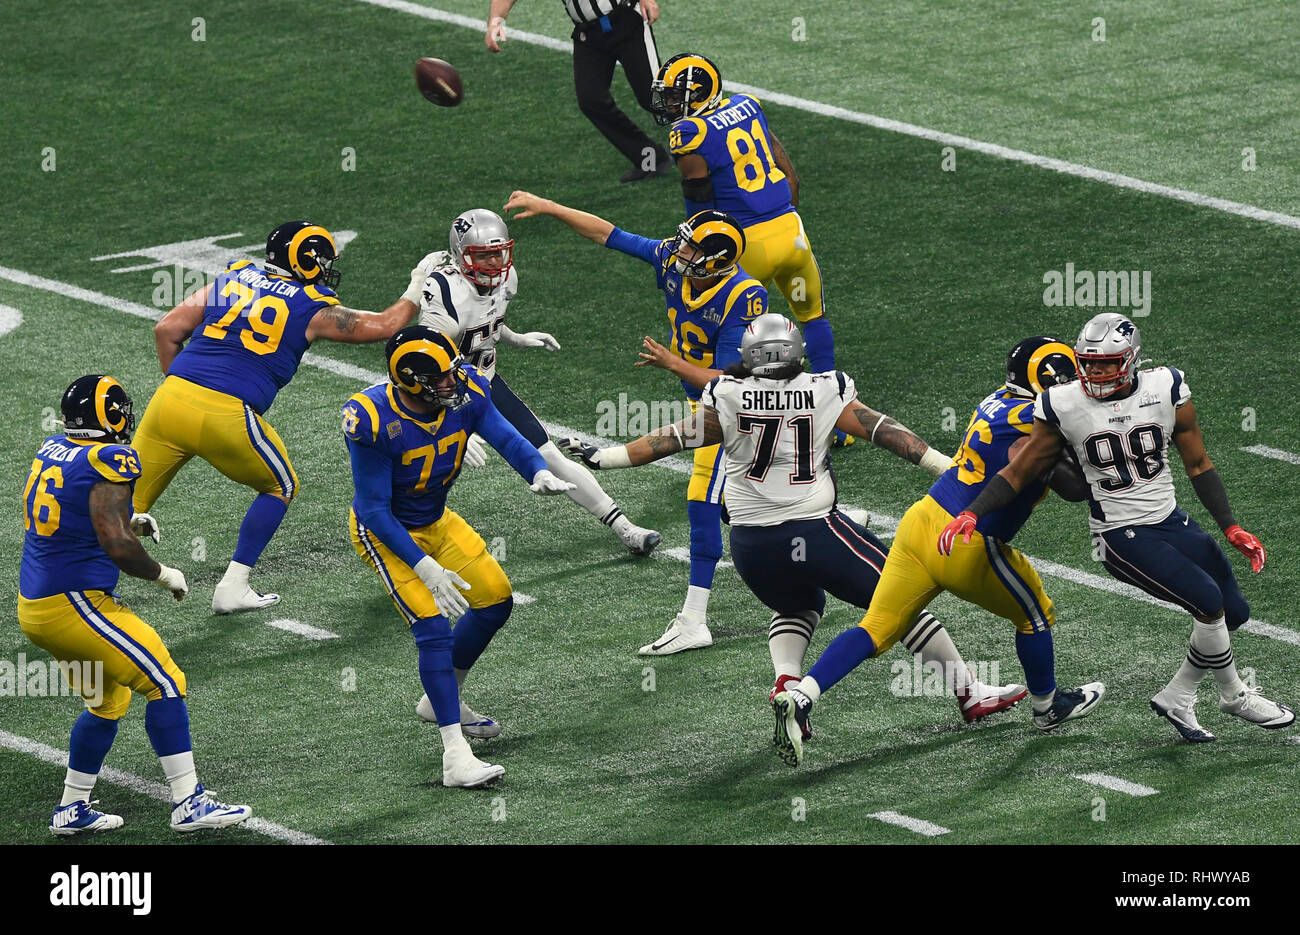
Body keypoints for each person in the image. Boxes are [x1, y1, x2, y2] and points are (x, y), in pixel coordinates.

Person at [566, 313, 1029, 734]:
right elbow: (882, 430)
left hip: (749, 545)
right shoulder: (824, 388)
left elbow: (668, 440)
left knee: (797, 608)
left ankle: (785, 685)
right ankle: (970, 693)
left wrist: (603, 458)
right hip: (815, 531)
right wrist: (945, 465)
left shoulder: (726, 395)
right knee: (903, 601)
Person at [941, 313, 1293, 742]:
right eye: (1087, 362)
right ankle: (1233, 694)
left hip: (1169, 519)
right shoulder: (1062, 403)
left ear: (1131, 360)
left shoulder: (1166, 387)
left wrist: (1231, 526)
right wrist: (972, 512)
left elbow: (1198, 463)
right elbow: (1020, 470)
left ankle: (1178, 696)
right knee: (1207, 601)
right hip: (1119, 534)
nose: (1094, 371)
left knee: (1234, 612)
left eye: (1105, 363)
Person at [772, 336, 1106, 766]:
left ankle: (801, 695)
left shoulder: (999, 401)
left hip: (922, 521)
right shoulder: (1040, 420)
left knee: (875, 627)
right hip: (966, 541)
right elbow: (1072, 487)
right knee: (1035, 613)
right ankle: (1047, 706)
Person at [505, 190, 767, 654]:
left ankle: (694, 621)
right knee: (737, 502)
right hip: (704, 404)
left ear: (719, 261)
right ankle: (826, 519)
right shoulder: (675, 261)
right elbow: (610, 234)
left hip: (737, 410)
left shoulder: (744, 296)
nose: (679, 251)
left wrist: (673, 364)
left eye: (692, 249)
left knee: (702, 501)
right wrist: (553, 207)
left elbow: (727, 378)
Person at [134, 220, 420, 614]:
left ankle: (78, 593)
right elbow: (385, 326)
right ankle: (233, 586)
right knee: (280, 486)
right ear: (306, 262)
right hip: (227, 414)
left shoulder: (232, 278)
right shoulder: (311, 307)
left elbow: (167, 330)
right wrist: (417, 288)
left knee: (118, 507)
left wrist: (187, 388)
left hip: (169, 402)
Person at [344, 326, 574, 788]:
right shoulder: (371, 417)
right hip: (387, 534)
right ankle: (455, 755)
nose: (456, 380)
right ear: (413, 379)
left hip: (436, 520)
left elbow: (506, 436)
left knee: (496, 599)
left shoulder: (465, 388)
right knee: (431, 626)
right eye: (443, 376)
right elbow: (372, 509)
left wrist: (538, 470)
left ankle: (441, 698)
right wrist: (425, 568)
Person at [19, 375, 250, 835]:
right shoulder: (112, 456)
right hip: (76, 605)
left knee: (108, 703)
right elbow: (117, 548)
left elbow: (75, 511)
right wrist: (164, 574)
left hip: (38, 607)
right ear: (110, 414)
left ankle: (71, 809)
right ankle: (189, 803)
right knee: (166, 681)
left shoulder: (53, 448)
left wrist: (127, 520)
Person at [414, 207, 660, 556]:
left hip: (484, 382)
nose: (496, 263)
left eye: (499, 253)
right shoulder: (444, 293)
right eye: (484, 256)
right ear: (461, 255)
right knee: (424, 471)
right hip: (439, 394)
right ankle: (406, 548)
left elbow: (485, 324)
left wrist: (515, 338)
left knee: (550, 457)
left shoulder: (505, 278)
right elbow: (426, 366)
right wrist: (449, 420)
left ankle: (625, 528)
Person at [650, 53, 850, 446]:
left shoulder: (690, 134)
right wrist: (787, 209)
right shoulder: (747, 104)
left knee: (723, 329)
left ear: (699, 93)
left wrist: (700, 241)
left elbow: (700, 202)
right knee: (812, 317)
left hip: (746, 244)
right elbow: (781, 162)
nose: (671, 107)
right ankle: (836, 424)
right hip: (790, 230)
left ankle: (730, 422)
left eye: (676, 98)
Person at [486, 0, 668, 183]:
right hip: (588, 34)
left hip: (627, 21)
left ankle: (696, 137)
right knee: (591, 100)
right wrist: (495, 20)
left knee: (655, 98)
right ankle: (650, 158)